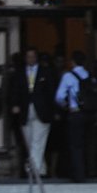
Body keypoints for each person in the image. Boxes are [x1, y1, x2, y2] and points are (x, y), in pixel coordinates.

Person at [5, 47, 57, 178]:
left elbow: (51, 92)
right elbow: (15, 91)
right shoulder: (19, 73)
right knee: (30, 142)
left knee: (37, 141)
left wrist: (53, 111)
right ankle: (41, 169)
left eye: (33, 56)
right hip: (25, 111)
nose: (30, 59)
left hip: (42, 112)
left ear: (36, 57)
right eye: (28, 57)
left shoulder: (46, 72)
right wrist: (15, 105)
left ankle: (31, 170)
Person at [54, 50, 91, 182]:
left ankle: (77, 175)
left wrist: (65, 106)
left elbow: (59, 97)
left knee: (75, 145)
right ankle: (89, 171)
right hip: (88, 114)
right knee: (86, 143)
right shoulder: (89, 75)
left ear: (73, 62)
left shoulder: (68, 76)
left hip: (75, 113)